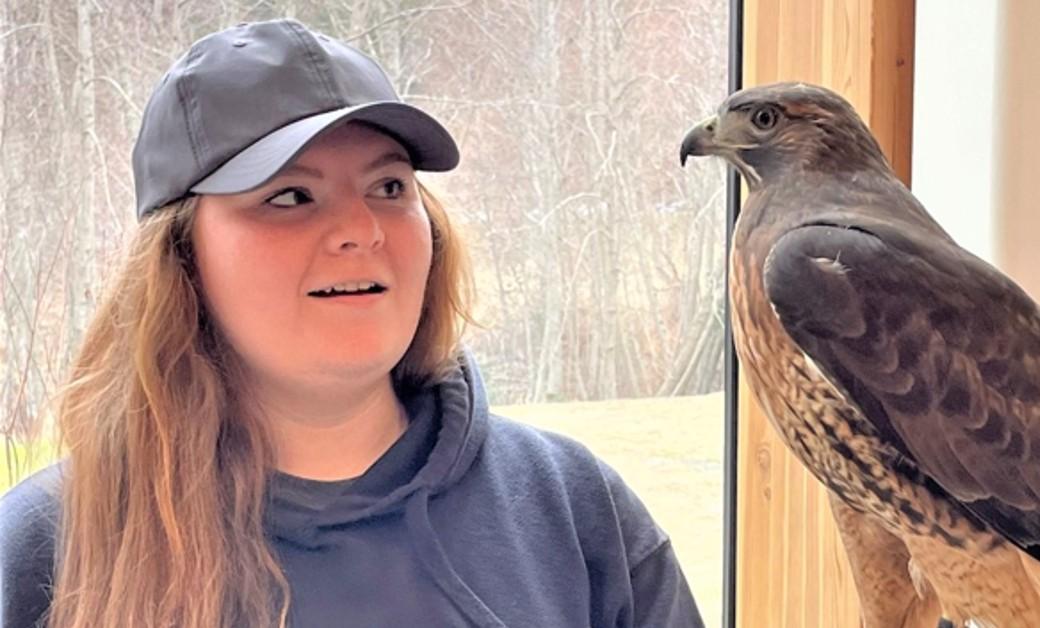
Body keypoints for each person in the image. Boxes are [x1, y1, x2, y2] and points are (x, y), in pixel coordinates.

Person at [0, 18, 703, 628]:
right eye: (292, 196)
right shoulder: (50, 543)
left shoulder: (573, 511)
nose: (362, 228)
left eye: (389, 187)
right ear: (181, 258)